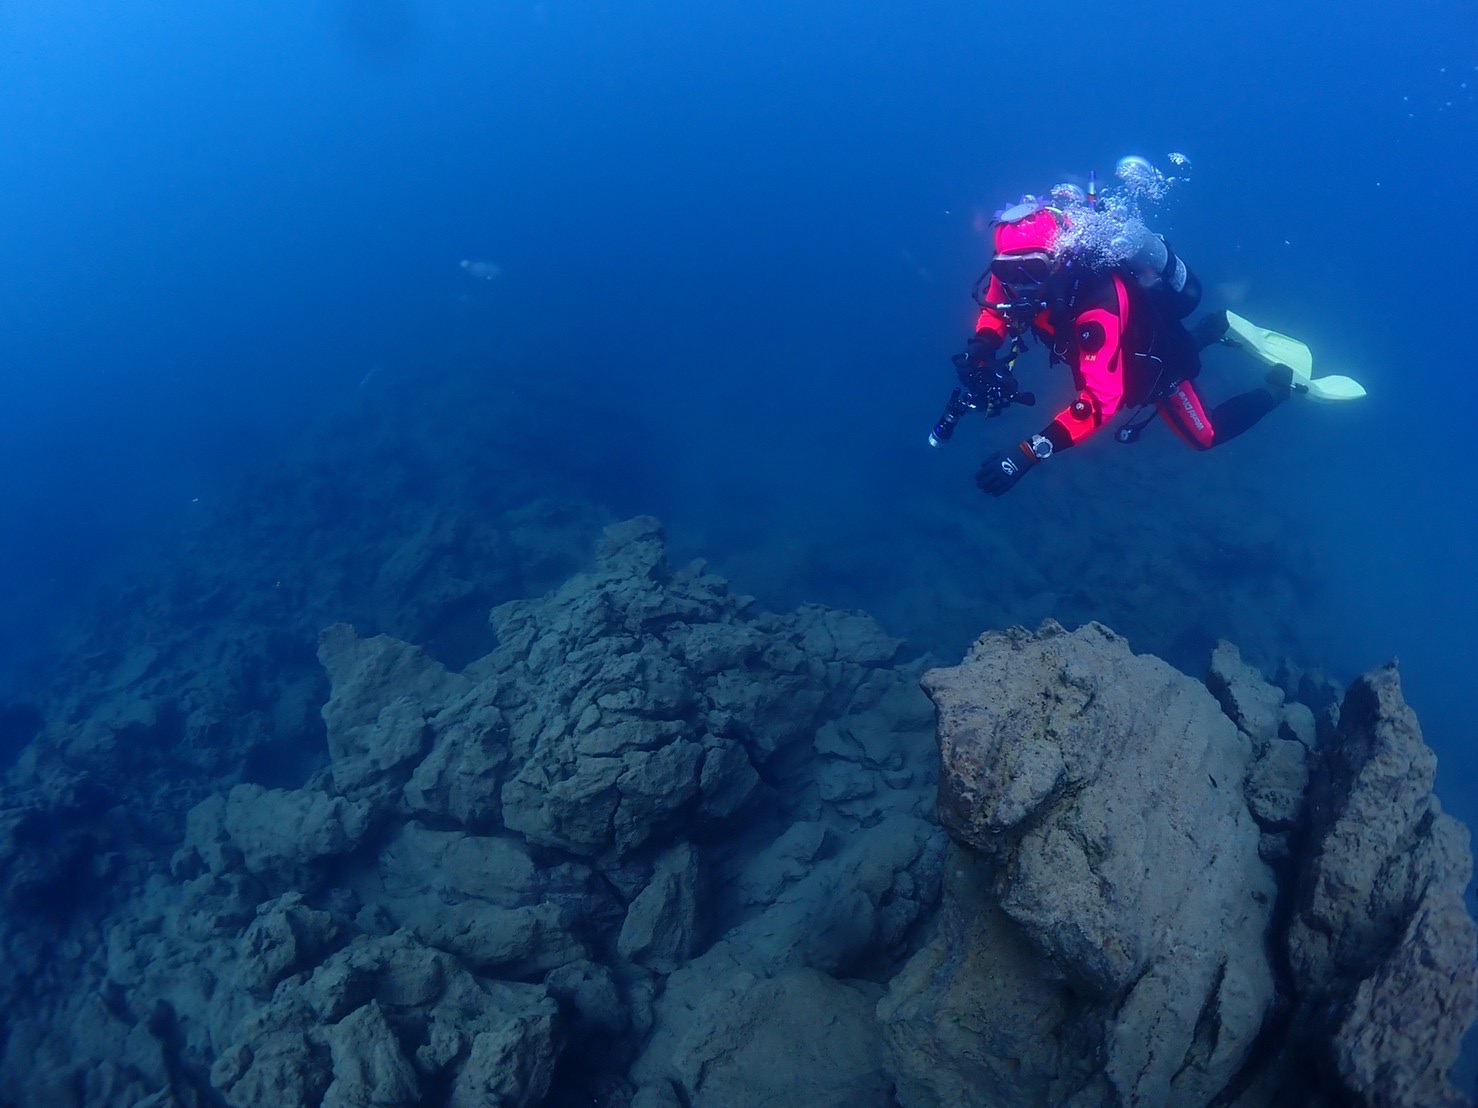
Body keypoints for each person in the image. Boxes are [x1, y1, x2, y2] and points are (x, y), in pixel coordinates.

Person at [951, 190, 1331, 497]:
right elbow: (997, 309)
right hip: (1122, 345)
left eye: (1032, 270)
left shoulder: (1099, 306)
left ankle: (1278, 390)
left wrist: (1029, 452)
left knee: (1204, 434)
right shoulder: (1015, 272)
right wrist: (981, 345)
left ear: (1059, 261)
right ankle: (1213, 329)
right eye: (1007, 271)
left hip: (1155, 361)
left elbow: (1101, 401)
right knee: (1142, 358)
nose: (1018, 285)